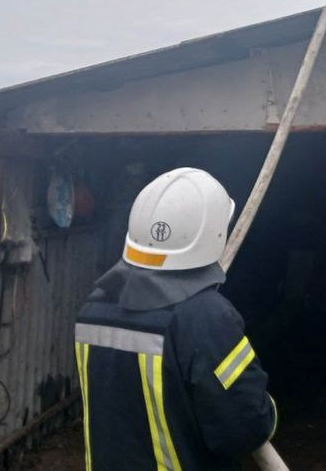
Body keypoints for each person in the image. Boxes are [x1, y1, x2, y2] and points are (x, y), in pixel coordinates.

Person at [74, 168, 277, 470]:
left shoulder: (92, 311)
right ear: (214, 234)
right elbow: (245, 428)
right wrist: (267, 411)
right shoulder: (207, 318)